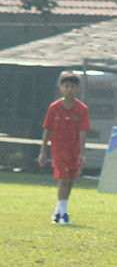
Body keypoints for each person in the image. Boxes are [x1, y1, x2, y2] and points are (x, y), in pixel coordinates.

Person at [37, 72, 90, 225]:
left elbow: (83, 132)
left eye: (72, 87)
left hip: (74, 149)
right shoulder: (54, 108)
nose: (69, 89)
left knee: (71, 180)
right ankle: (64, 213)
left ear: (77, 89)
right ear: (61, 88)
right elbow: (47, 130)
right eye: (66, 86)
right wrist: (43, 152)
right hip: (59, 148)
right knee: (63, 179)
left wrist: (82, 153)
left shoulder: (82, 109)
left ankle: (59, 210)